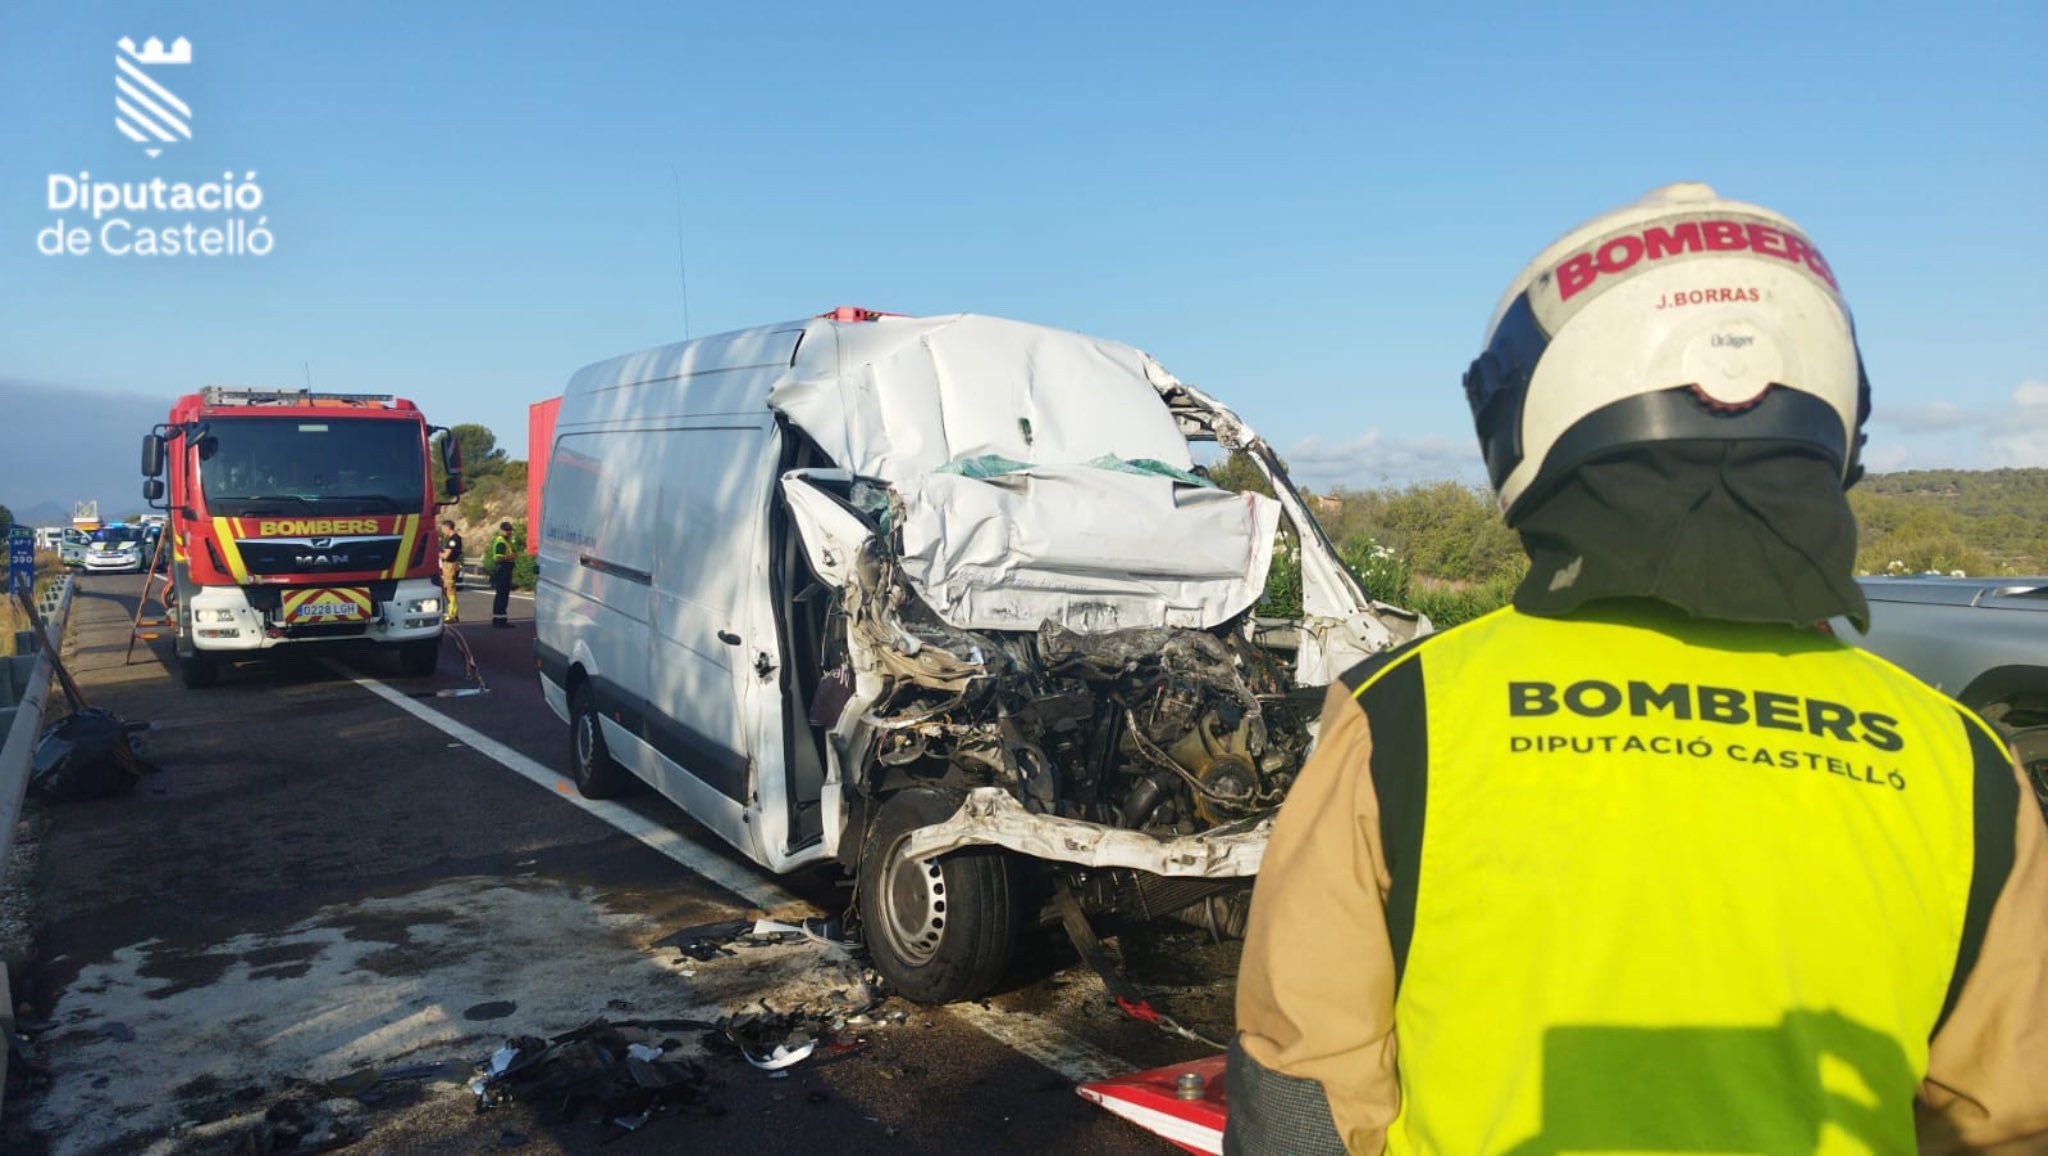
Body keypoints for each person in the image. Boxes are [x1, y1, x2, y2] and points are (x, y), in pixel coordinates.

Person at [1227, 184, 2048, 1154]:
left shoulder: (1406, 712)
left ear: (1526, 415)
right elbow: (2004, 1114)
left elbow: (1301, 1084)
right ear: (1834, 412)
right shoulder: (1956, 758)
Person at [489, 520, 515, 629]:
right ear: (501, 530)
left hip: (505, 570)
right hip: (502, 570)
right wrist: (511, 557)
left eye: (509, 530)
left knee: (503, 595)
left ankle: (501, 619)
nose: (508, 532)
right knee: (501, 596)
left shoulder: (506, 541)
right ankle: (499, 621)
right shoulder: (501, 542)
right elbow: (499, 558)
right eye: (506, 530)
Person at [439, 519, 464, 623]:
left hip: (450, 565)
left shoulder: (453, 539)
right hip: (449, 565)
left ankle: (452, 614)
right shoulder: (452, 539)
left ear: (447, 527)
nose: (442, 531)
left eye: (443, 528)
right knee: (446, 589)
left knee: (450, 590)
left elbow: (446, 555)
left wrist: (434, 552)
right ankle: (453, 613)